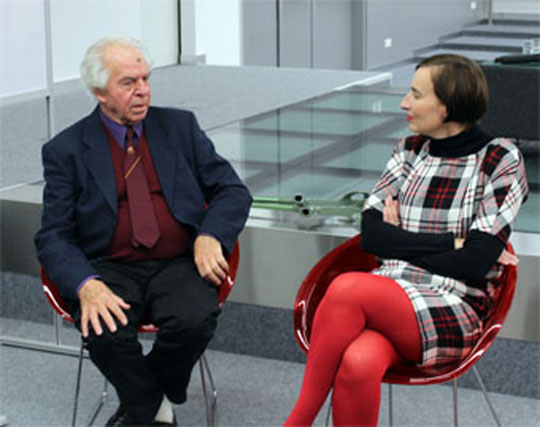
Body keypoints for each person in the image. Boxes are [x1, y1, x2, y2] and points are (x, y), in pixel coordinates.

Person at [285, 54, 528, 426]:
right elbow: (372, 236)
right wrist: (452, 242)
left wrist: (400, 240)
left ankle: (297, 422)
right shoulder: (409, 150)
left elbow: (474, 263)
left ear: (447, 105)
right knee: (358, 361)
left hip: (454, 303)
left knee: (347, 288)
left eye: (416, 94)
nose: (404, 103)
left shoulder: (500, 159)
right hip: (389, 292)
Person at [34, 35, 252, 426]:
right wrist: (86, 284)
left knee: (195, 321)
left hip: (178, 261)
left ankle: (141, 405)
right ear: (100, 92)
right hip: (109, 266)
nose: (143, 91)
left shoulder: (180, 127)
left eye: (146, 79)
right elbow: (53, 236)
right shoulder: (66, 150)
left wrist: (210, 236)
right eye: (128, 83)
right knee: (104, 330)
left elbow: (232, 191)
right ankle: (156, 409)